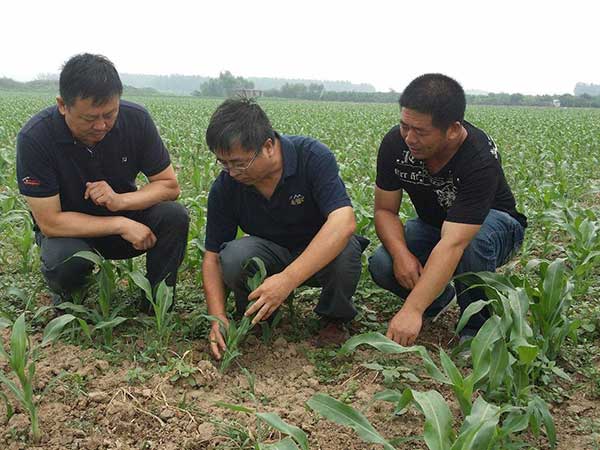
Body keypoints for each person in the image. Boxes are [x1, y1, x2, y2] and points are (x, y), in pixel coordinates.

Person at [16, 53, 189, 310]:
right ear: (63, 105)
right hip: (71, 233)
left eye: (110, 114)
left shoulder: (137, 121)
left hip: (126, 222)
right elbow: (50, 222)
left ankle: (157, 305)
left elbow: (169, 185)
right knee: (65, 258)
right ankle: (70, 302)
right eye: (89, 118)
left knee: (174, 216)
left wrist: (121, 202)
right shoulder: (36, 138)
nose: (101, 126)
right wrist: (119, 223)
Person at [202, 98, 368, 359]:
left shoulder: (311, 157)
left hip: (317, 257)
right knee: (233, 255)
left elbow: (343, 220)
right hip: (270, 255)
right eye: (223, 163)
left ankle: (334, 319)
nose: (232, 172)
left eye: (239, 163)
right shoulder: (226, 186)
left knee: (345, 249)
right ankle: (259, 314)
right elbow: (212, 258)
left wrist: (288, 280)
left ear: (268, 146)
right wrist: (217, 317)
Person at [368, 73, 527, 346]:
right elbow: (385, 210)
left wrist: (411, 310)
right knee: (383, 263)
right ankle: (438, 299)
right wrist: (401, 254)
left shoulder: (479, 158)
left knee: (471, 245)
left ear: (453, 129)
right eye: (404, 126)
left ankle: (476, 329)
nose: (409, 138)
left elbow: (454, 243)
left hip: (492, 227)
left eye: (421, 131)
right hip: (434, 226)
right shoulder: (396, 143)